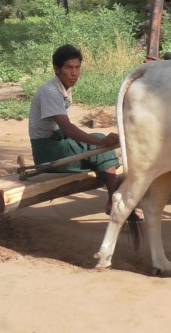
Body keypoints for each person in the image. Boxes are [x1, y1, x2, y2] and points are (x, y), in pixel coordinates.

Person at [28, 45, 123, 214]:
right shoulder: (50, 91)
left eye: (77, 68)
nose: (74, 73)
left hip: (60, 144)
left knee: (101, 147)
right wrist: (100, 141)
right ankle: (113, 201)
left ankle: (113, 196)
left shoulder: (63, 89)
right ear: (57, 69)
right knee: (101, 143)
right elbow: (67, 128)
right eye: (69, 68)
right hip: (49, 152)